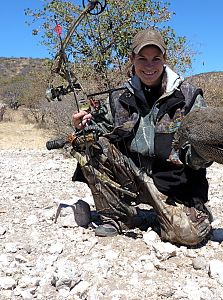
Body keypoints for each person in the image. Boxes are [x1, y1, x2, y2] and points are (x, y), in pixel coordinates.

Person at [72, 29, 213, 246]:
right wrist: (82, 125)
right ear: (132, 60)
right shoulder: (118, 97)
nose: (149, 66)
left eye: (156, 59)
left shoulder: (188, 96)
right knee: (89, 143)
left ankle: (188, 210)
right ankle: (116, 216)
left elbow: (204, 150)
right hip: (134, 176)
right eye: (142, 59)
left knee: (190, 235)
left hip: (175, 184)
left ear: (164, 59)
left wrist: (207, 150)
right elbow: (101, 129)